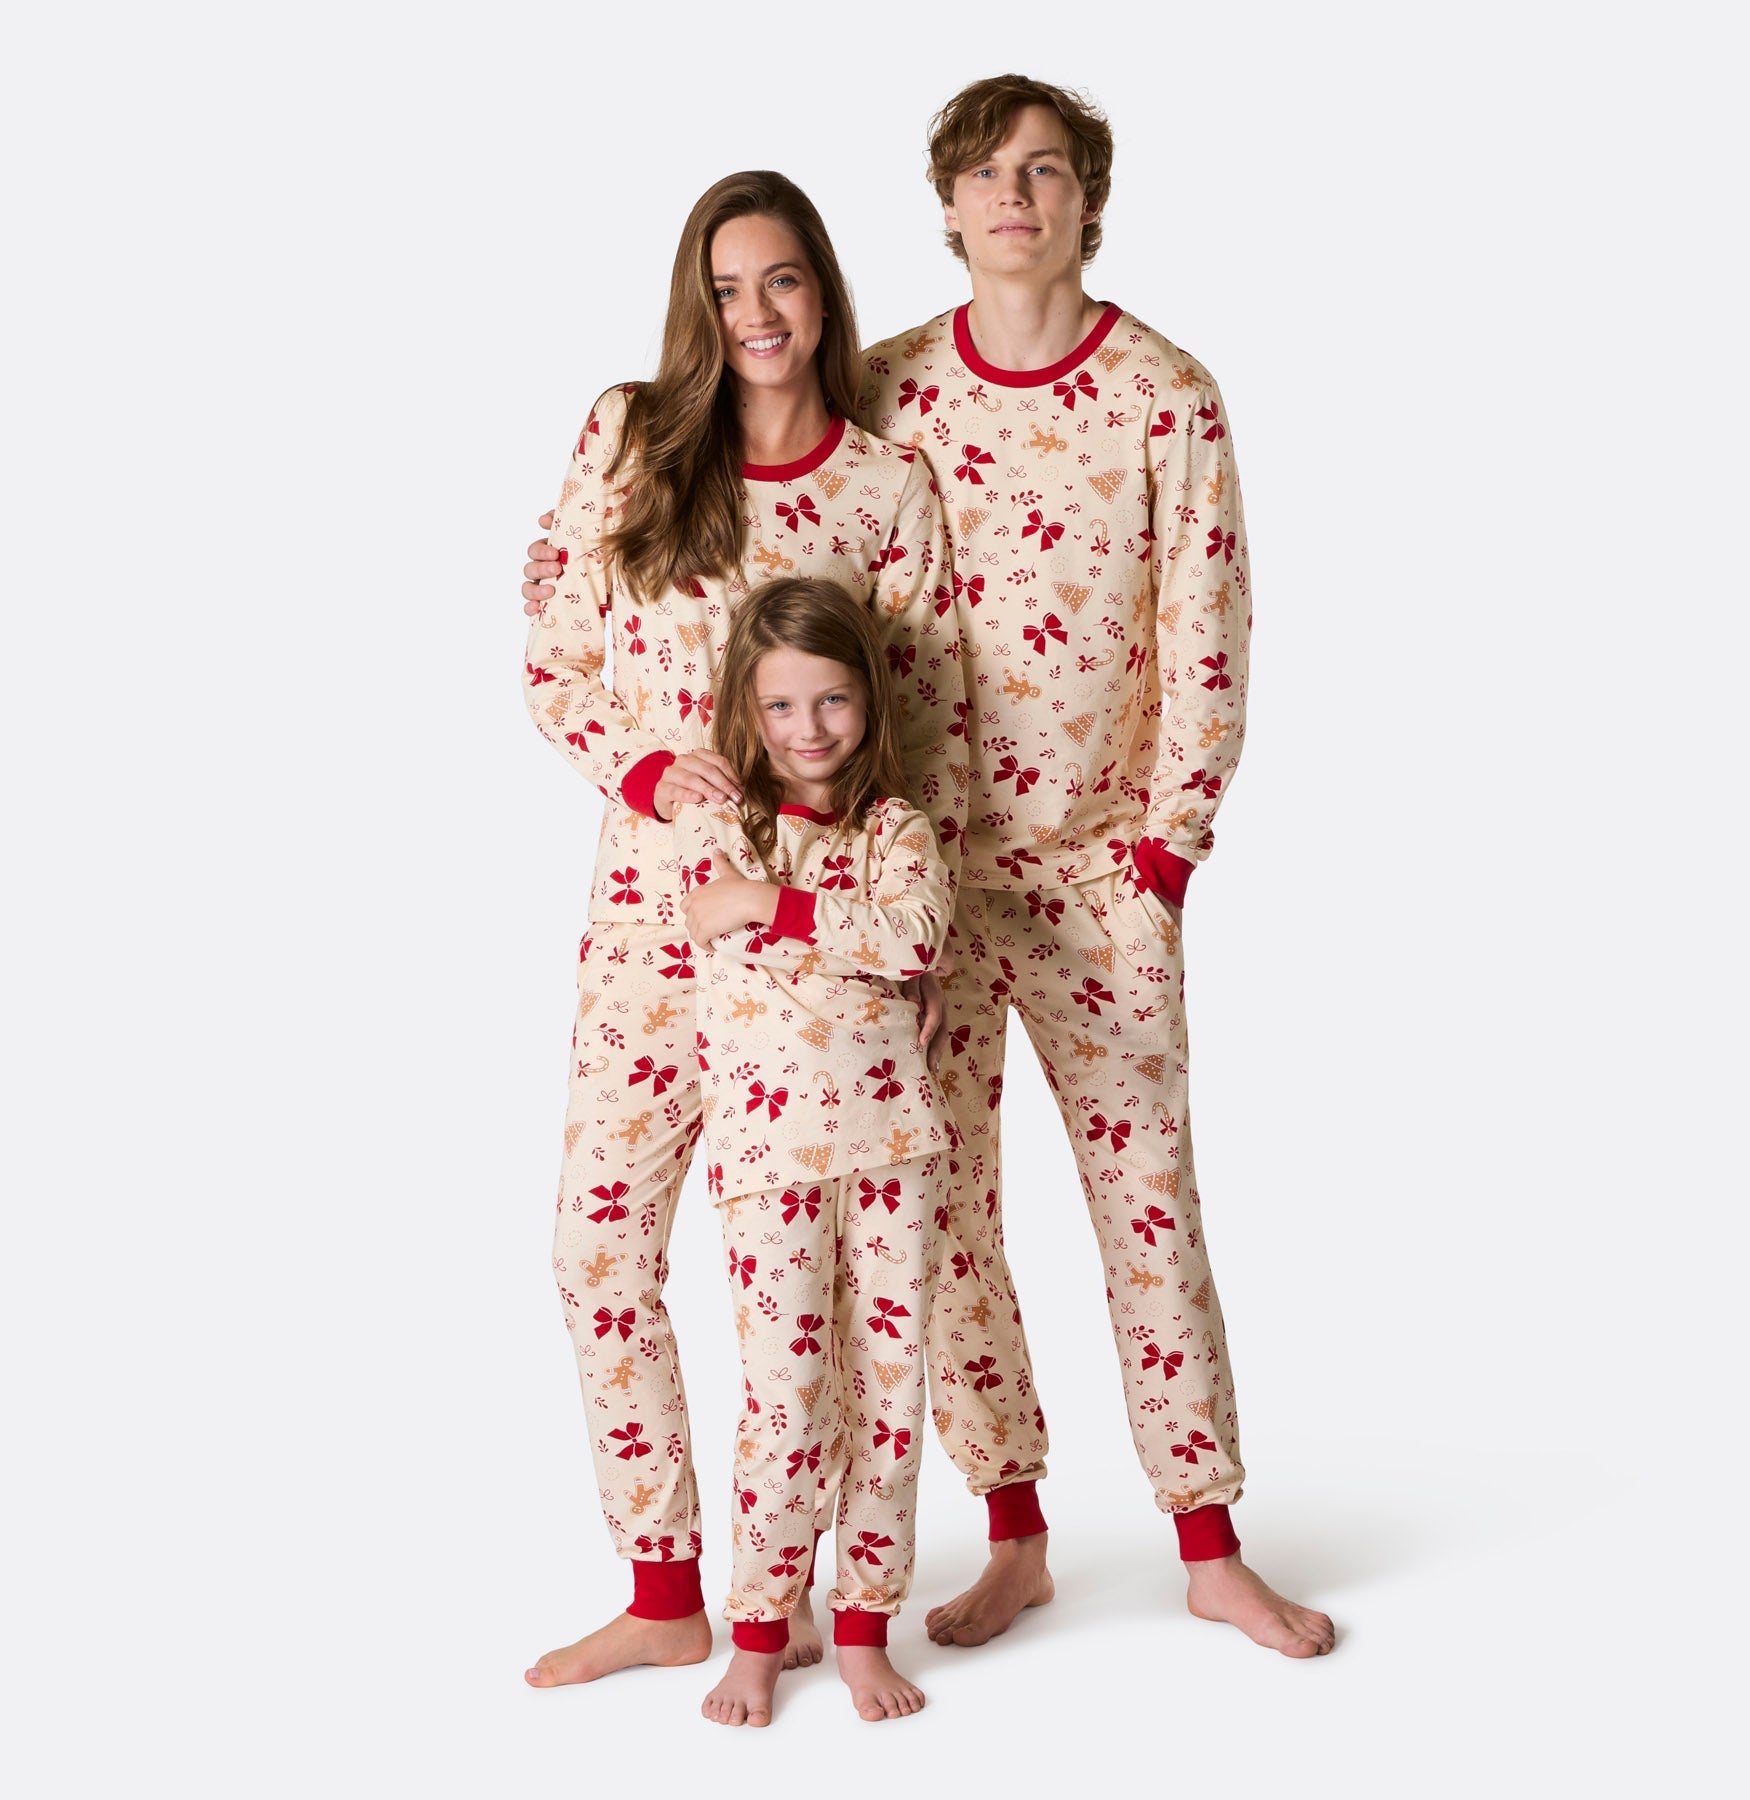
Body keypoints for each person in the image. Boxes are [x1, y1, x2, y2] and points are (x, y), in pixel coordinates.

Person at [523, 76, 1334, 1661]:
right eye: (984, 174)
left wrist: (1165, 851)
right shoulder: (858, 396)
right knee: (922, 1227)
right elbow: (589, 638)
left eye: (1045, 172)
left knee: (1137, 1208)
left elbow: (1197, 629)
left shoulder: (1137, 403)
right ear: (945, 206)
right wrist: (672, 785)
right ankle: (967, 1542)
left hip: (1050, 887)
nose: (1014, 198)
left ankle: (1203, 1538)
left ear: (1089, 196)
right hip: (799, 913)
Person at [520, 171, 963, 1690]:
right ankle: (665, 1592)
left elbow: (931, 730)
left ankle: (813, 1604)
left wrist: (906, 951)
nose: (756, 314)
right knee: (598, 1249)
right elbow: (554, 655)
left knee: (822, 1303)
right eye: (726, 288)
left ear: (822, 290)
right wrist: (641, 767)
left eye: (781, 280)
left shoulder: (887, 489)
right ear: (695, 306)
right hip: (654, 926)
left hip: (825, 976)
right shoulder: (633, 438)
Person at [678, 576, 953, 1726]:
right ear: (748, 709)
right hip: (771, 1157)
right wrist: (846, 943)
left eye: (832, 700)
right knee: (787, 1404)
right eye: (783, 705)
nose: (809, 728)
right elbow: (720, 935)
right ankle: (758, 1630)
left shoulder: (897, 830)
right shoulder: (720, 828)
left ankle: (863, 1631)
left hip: (896, 1149)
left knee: (890, 1393)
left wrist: (777, 908)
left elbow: (916, 937)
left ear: (869, 699)